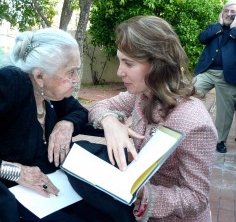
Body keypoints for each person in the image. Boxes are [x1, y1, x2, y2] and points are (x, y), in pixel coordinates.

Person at [0, 28, 112, 222]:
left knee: (107, 209)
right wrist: (15, 171)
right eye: (71, 72)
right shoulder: (11, 84)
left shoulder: (51, 91)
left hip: (51, 186)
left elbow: (79, 112)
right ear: (39, 76)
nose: (77, 80)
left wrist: (66, 123)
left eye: (77, 71)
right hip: (13, 191)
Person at [67, 16, 217, 222]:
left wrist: (140, 192)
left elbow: (197, 198)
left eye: (128, 63)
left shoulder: (195, 123)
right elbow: (101, 106)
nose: (120, 72)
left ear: (157, 65)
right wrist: (110, 122)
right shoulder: (142, 94)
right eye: (119, 61)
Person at [193, 0, 236, 153]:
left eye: (233, 12)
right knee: (190, 93)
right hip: (208, 71)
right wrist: (219, 26)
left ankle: (219, 140)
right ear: (222, 12)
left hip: (228, 76)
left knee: (225, 111)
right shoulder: (214, 27)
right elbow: (202, 38)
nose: (229, 14)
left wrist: (234, 29)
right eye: (227, 11)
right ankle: (189, 126)